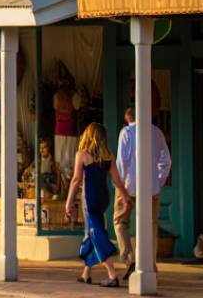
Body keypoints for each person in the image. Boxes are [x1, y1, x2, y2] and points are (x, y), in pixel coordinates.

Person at [64, 122, 129, 287]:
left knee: (95, 233)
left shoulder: (82, 155)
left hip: (90, 199)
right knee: (90, 232)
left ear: (87, 136)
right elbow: (116, 181)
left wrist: (68, 202)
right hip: (103, 198)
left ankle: (112, 275)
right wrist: (125, 197)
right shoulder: (108, 156)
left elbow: (76, 180)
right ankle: (86, 274)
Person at [114, 106, 172, 279]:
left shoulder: (126, 133)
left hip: (129, 187)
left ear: (128, 118)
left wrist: (120, 188)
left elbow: (121, 163)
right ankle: (150, 268)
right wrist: (158, 180)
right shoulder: (157, 132)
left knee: (120, 222)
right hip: (151, 189)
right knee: (150, 228)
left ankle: (130, 258)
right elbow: (166, 161)